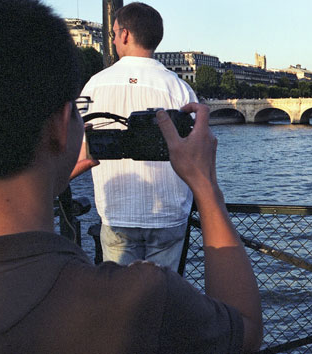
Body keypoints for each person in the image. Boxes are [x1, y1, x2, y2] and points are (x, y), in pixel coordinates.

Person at [0, 0, 261, 352]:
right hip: (167, 221)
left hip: (116, 218)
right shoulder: (140, 300)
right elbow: (245, 331)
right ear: (61, 126)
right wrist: (206, 189)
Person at [79, 2, 197, 270]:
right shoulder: (179, 88)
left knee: (121, 301)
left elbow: (77, 139)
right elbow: (194, 146)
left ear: (124, 35)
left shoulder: (95, 84)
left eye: (112, 33)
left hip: (117, 208)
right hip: (169, 210)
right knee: (163, 299)